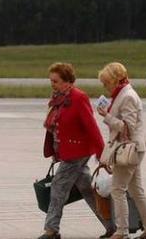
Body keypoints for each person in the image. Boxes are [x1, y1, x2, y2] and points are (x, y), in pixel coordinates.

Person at [40, 62, 116, 239]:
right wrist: (55, 151)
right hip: (68, 152)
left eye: (56, 81)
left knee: (58, 187)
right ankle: (113, 226)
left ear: (68, 81)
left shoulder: (78, 97)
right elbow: (57, 128)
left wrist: (102, 153)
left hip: (78, 152)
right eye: (51, 81)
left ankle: (51, 230)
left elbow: (92, 127)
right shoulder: (58, 99)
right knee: (87, 190)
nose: (53, 84)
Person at [96, 62, 146, 239]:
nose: (105, 87)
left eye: (106, 82)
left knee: (117, 189)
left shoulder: (127, 96)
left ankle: (122, 230)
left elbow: (127, 127)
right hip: (132, 148)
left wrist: (107, 116)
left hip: (128, 149)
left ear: (115, 80)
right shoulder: (122, 94)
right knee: (136, 190)